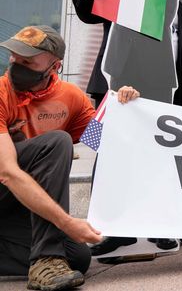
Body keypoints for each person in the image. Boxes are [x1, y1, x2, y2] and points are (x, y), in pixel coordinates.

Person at [0, 25, 139, 290]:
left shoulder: (71, 98)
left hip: (20, 208)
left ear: (55, 66)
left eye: (27, 60)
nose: (16, 62)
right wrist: (66, 222)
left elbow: (106, 141)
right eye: (14, 55)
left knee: (77, 258)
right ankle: (45, 260)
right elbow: (6, 172)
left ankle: (49, 257)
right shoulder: (1, 92)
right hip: (5, 188)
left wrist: (126, 109)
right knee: (56, 142)